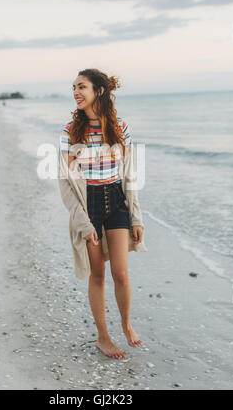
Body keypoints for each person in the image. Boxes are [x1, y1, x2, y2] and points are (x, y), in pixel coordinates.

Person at [58, 68, 147, 359]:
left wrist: (136, 217)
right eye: (73, 88)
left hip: (117, 201)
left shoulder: (120, 127)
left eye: (81, 86)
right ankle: (103, 338)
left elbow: (130, 175)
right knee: (97, 274)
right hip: (89, 205)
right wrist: (82, 222)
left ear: (99, 91)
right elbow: (65, 183)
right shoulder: (71, 132)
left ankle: (126, 325)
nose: (76, 92)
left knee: (121, 273)